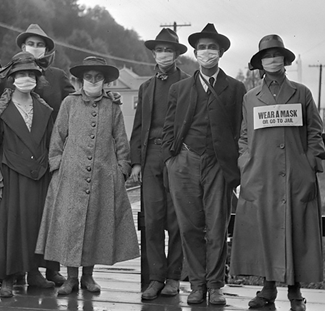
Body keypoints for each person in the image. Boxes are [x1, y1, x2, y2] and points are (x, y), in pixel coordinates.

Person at [230, 35, 325, 311]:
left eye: (277, 55)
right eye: (267, 56)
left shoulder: (302, 93)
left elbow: (314, 133)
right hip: (262, 175)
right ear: (260, 62)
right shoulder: (250, 98)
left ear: (285, 60)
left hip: (296, 175)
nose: (272, 60)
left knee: (296, 230)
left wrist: (309, 165)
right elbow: (244, 136)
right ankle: (268, 289)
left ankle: (296, 293)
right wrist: (246, 165)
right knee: (267, 230)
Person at [35, 56, 140, 295]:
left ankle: (88, 277)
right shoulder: (69, 104)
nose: (93, 81)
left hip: (103, 174)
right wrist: (58, 165)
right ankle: (71, 277)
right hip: (71, 173)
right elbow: (58, 136)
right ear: (81, 80)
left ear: (104, 81)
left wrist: (122, 167)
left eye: (98, 77)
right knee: (72, 225)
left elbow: (120, 138)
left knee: (94, 224)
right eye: (88, 77)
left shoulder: (112, 106)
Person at [162, 23, 246, 305]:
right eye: (202, 48)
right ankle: (197, 284)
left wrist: (233, 165)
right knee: (189, 226)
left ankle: (216, 284)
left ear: (220, 52)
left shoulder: (235, 88)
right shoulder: (180, 88)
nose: (207, 52)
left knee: (218, 225)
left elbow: (240, 129)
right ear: (195, 53)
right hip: (185, 161)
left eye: (212, 48)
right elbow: (169, 127)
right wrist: (172, 160)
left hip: (218, 165)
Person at [130, 28, 189, 300]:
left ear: (176, 54)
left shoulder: (189, 83)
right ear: (153, 54)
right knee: (152, 220)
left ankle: (174, 278)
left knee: (177, 219)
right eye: (159, 50)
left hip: (178, 156)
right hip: (151, 156)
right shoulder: (145, 87)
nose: (164, 54)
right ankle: (155, 278)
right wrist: (136, 162)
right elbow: (139, 126)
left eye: (169, 50)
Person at [0, 52, 58, 298]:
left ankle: (34, 272)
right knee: (11, 224)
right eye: (21, 74)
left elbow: (50, 141)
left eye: (30, 74)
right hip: (11, 171)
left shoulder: (44, 108)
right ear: (12, 78)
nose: (26, 78)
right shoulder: (2, 108)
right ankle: (7, 278)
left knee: (37, 222)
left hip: (39, 172)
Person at [16, 23, 75, 122]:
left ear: (46, 49)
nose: (35, 47)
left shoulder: (58, 76)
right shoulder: (10, 75)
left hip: (51, 134)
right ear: (23, 47)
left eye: (40, 45)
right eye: (31, 44)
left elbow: (75, 104)